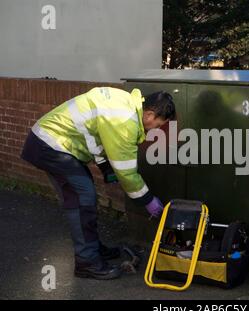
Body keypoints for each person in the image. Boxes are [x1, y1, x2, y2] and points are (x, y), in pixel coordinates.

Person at [20, 87, 176, 280]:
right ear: (150, 114)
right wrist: (148, 201)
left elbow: (98, 137)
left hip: (53, 143)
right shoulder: (125, 121)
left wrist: (106, 170)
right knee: (82, 198)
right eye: (159, 125)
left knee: (83, 197)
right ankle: (87, 261)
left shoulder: (125, 102)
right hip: (51, 145)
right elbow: (127, 173)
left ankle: (92, 249)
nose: (156, 129)